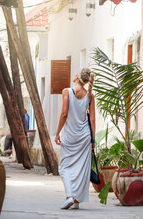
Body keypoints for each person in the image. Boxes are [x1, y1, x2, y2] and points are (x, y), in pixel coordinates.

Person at [54, 68, 95, 210]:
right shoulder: (89, 95)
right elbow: (93, 119)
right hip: (84, 136)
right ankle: (76, 200)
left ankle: (70, 196)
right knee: (80, 168)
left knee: (64, 167)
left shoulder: (67, 91)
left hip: (70, 136)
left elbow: (64, 113)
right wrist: (93, 140)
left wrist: (57, 132)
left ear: (77, 77)